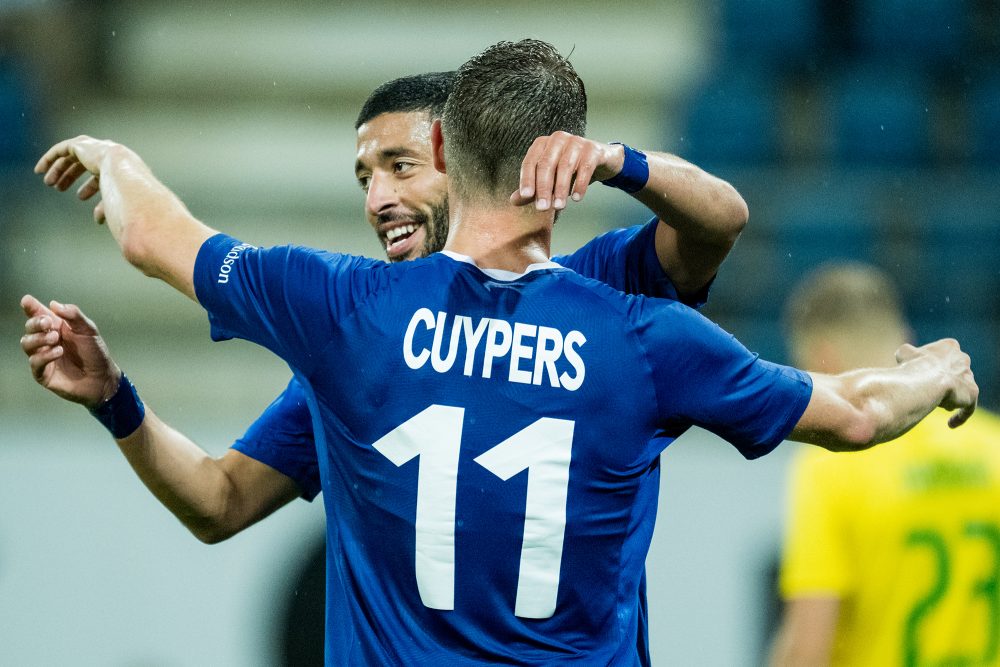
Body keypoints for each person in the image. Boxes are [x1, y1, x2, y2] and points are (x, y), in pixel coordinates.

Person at [29, 39, 976, 664]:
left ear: (453, 149)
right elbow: (220, 499)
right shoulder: (632, 326)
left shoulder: (351, 321)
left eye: (400, 165)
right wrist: (118, 399)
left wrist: (119, 158)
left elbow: (156, 235)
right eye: (362, 174)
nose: (377, 197)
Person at [769, 263, 1000, 667]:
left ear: (823, 359)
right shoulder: (994, 445)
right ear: (907, 342)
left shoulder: (830, 470)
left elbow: (808, 652)